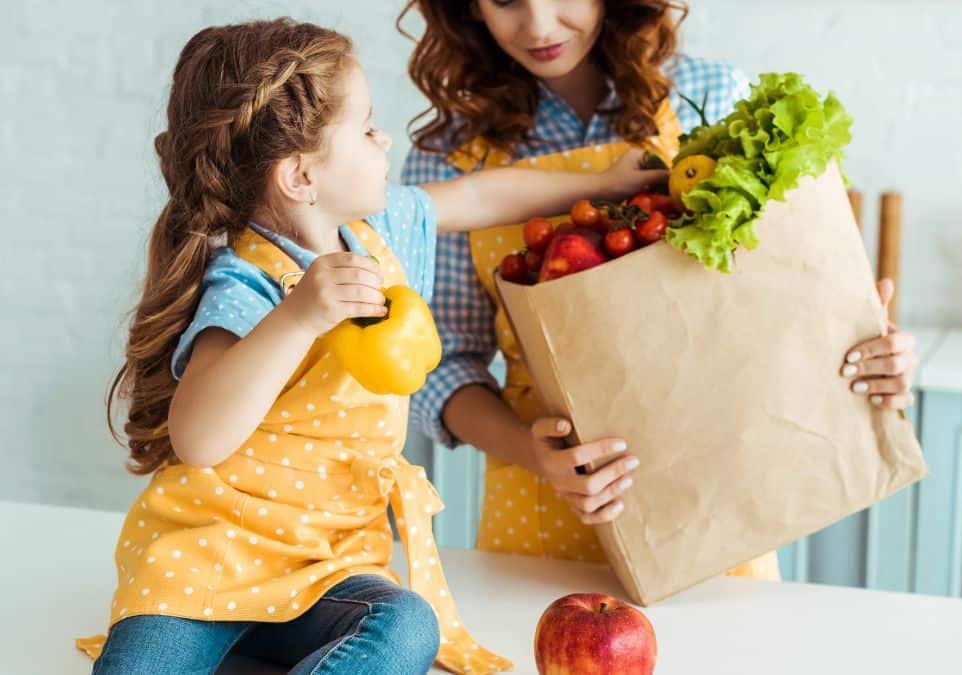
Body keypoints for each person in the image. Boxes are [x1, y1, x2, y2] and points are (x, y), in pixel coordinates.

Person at [80, 17, 659, 675]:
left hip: (330, 570)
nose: (384, 138)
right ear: (301, 176)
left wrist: (603, 187)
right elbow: (199, 437)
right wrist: (298, 317)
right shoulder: (247, 280)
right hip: (209, 564)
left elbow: (484, 194)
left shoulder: (379, 230)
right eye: (366, 127)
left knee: (408, 624)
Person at [400, 0, 918, 578]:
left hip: (719, 503)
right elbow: (439, 363)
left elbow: (775, 303)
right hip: (545, 515)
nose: (539, 24)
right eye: (504, 0)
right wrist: (537, 456)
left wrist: (868, 352)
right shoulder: (445, 157)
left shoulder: (714, 97)